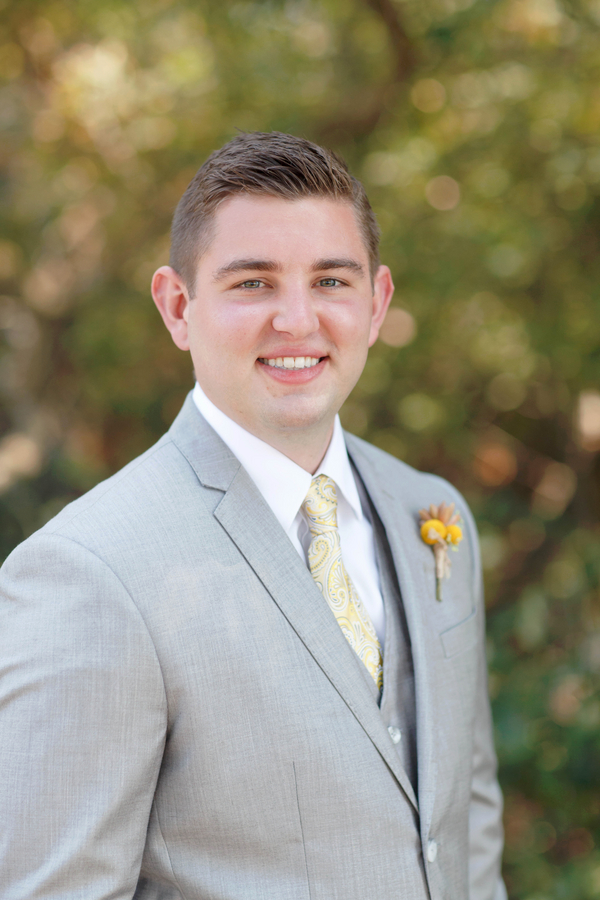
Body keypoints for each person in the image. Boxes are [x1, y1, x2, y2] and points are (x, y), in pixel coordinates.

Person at [0, 131, 506, 900]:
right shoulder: (87, 573)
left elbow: (465, 816)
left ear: (376, 304)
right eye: (253, 284)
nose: (298, 320)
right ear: (178, 306)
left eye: (331, 281)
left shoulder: (433, 516)